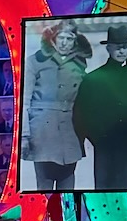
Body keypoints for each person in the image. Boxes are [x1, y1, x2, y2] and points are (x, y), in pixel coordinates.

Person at [72, 25, 127, 189]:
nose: (121, 51)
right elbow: (82, 114)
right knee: (108, 195)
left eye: (125, 47)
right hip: (108, 150)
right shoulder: (94, 79)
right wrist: (98, 139)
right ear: (109, 48)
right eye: (117, 47)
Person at [20, 19, 92, 191]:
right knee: (44, 187)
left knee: (67, 184)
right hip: (42, 131)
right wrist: (24, 135)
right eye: (61, 38)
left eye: (70, 38)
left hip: (70, 131)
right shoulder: (35, 61)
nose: (65, 43)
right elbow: (24, 101)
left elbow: (84, 101)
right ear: (53, 38)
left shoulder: (79, 64)